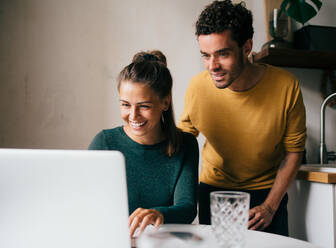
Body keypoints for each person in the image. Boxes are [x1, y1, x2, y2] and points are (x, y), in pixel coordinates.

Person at [178, 0, 306, 236]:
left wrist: (269, 206)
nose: (212, 66)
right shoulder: (197, 87)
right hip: (213, 193)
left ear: (247, 47)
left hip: (266, 196)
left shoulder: (286, 86)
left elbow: (293, 152)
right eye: (205, 55)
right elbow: (182, 142)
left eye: (222, 54)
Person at [89, 50, 199, 238]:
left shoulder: (185, 144)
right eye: (125, 105)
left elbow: (187, 208)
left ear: (165, 102)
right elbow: (85, 201)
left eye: (144, 106)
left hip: (161, 242)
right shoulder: (104, 142)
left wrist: (158, 214)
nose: (133, 115)